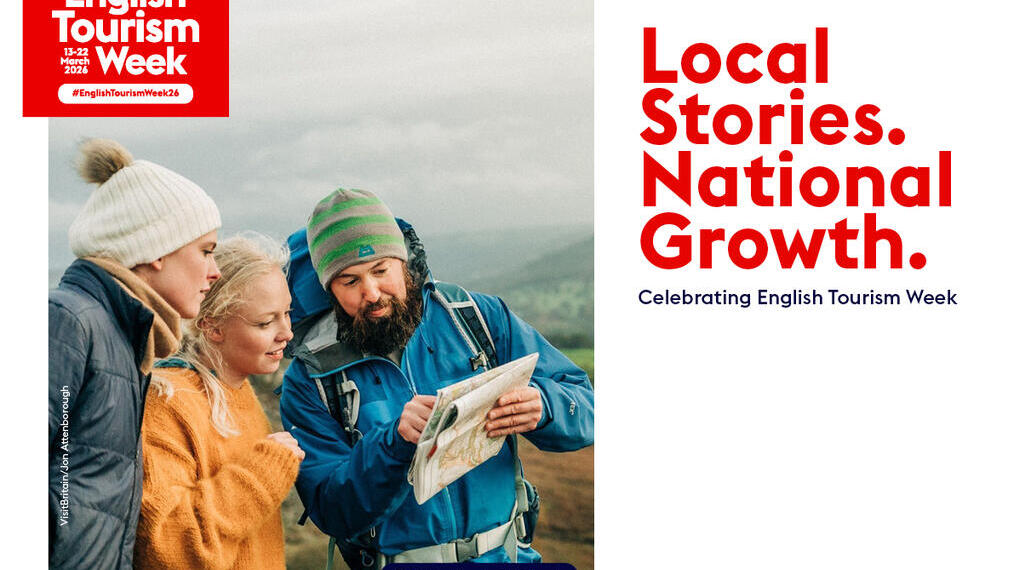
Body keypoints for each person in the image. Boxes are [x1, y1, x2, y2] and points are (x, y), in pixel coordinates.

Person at [279, 188, 594, 567]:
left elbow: (586, 405)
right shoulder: (310, 378)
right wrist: (394, 443)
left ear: (403, 262)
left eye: (381, 270)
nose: (372, 292)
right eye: (349, 281)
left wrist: (545, 406)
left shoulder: (476, 318)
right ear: (329, 287)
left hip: (511, 556)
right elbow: (332, 510)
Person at [49, 139, 222, 568]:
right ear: (156, 249)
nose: (214, 272)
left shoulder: (125, 339)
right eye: (205, 250)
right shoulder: (70, 319)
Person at [134, 234, 304, 569]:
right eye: (265, 322)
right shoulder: (167, 403)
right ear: (212, 328)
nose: (287, 333)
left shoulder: (238, 390)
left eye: (287, 314)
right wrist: (262, 476)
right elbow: (168, 546)